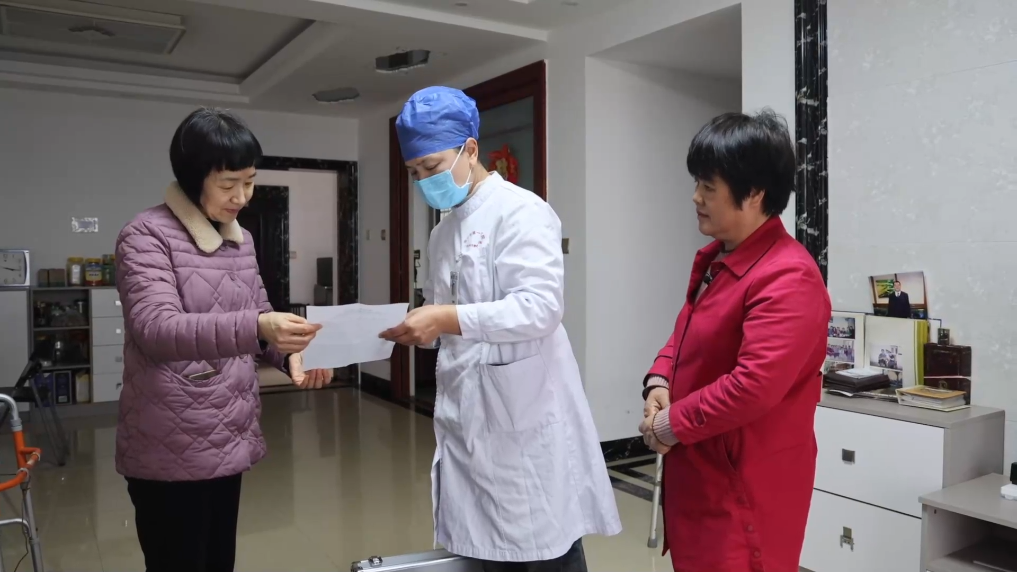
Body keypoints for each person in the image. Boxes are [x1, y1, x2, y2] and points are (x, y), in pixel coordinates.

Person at [381, 87, 621, 572]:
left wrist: (445, 318)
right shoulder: (441, 232)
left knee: (543, 549)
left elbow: (539, 308)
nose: (424, 181)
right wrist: (419, 328)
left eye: (431, 166)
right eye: (414, 173)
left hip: (525, 422)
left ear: (470, 149)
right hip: (468, 421)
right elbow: (442, 311)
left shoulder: (520, 211)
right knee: (486, 553)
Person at [115, 107, 332, 572]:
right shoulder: (146, 235)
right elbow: (156, 330)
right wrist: (259, 327)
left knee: (217, 560)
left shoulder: (241, 239)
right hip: (171, 440)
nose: (242, 197)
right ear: (193, 177)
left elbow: (259, 313)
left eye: (249, 182)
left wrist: (291, 354)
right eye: (228, 184)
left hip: (227, 434)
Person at [637, 110, 831, 572]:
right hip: (702, 470)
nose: (696, 197)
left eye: (709, 186)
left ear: (755, 192)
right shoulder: (719, 259)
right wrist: (659, 380)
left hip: (744, 487)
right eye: (697, 183)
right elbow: (684, 333)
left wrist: (669, 425)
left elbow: (753, 386)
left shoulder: (787, 276)